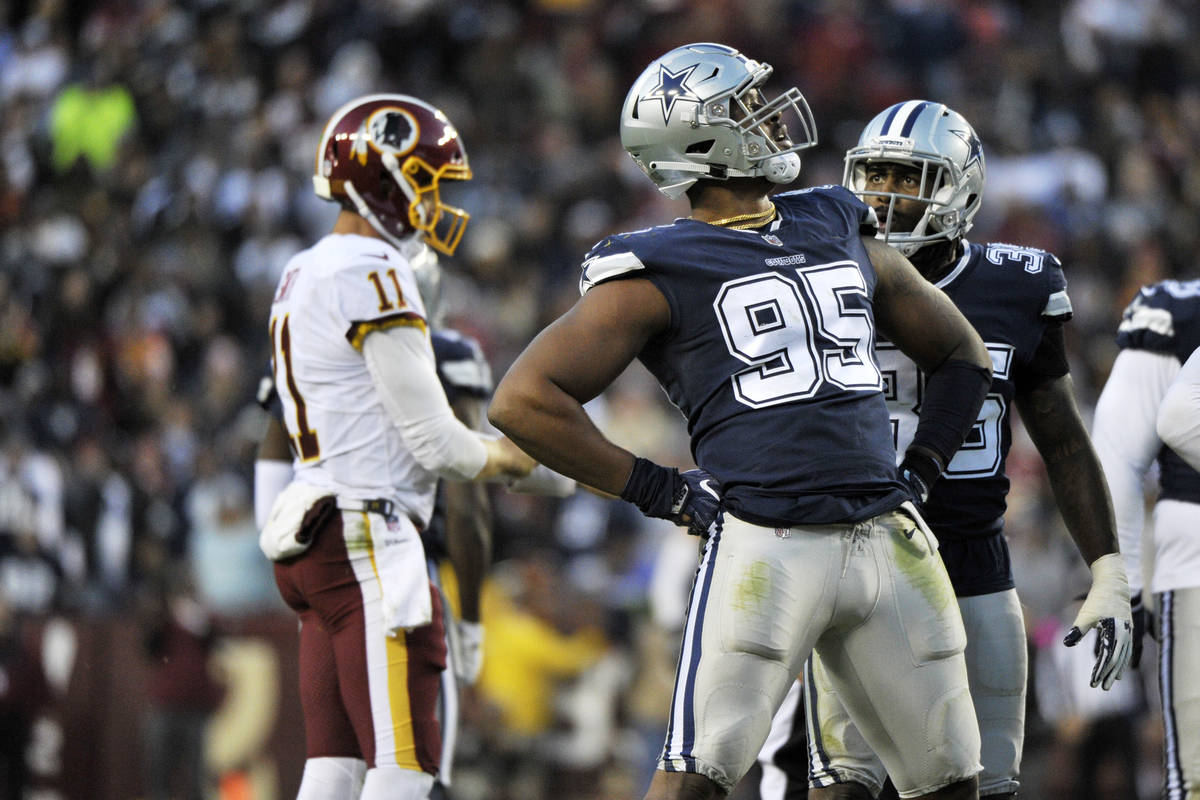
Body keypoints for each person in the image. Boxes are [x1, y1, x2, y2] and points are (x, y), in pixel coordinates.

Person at [490, 42, 995, 800]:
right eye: (743, 107)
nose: (766, 116)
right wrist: (657, 490)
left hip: (885, 534)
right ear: (697, 141)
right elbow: (523, 399)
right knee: (698, 778)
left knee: (952, 784)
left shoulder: (831, 216)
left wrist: (921, 469)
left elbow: (961, 351)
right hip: (767, 543)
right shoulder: (658, 265)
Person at [741, 100, 1134, 800]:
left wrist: (1107, 567)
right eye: (877, 175)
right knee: (838, 784)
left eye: (909, 176)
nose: (887, 194)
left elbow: (1064, 441)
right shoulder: (822, 273)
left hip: (971, 565)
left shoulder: (1018, 284)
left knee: (984, 785)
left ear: (962, 190)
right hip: (848, 562)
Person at [260, 93, 536, 800]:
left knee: (333, 765)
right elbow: (439, 444)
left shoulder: (304, 268)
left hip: (316, 534)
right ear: (384, 176)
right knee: (404, 769)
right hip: (366, 536)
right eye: (428, 178)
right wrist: (518, 459)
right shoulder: (374, 272)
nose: (435, 199)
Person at [1093, 280, 1200, 800]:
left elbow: (1116, 455)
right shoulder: (1176, 313)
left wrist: (1126, 586)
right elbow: (1122, 452)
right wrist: (1125, 581)